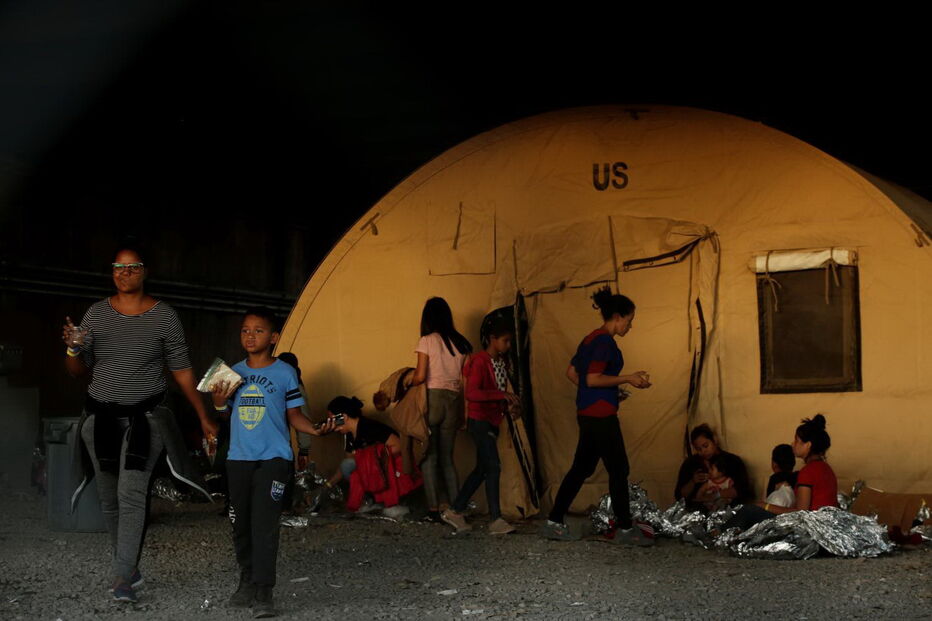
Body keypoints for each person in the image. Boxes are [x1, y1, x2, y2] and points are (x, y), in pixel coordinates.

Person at [63, 245, 218, 604]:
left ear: (145, 271)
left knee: (131, 495)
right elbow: (77, 371)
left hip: (144, 421)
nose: (124, 272)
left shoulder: (165, 317)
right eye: (118, 267)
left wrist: (204, 416)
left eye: (132, 268)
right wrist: (72, 348)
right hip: (99, 420)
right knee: (109, 499)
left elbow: (181, 371)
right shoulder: (95, 315)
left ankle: (121, 577)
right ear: (112, 272)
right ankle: (129, 568)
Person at [211, 308, 333, 617]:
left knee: (264, 525)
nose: (250, 335)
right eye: (245, 330)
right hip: (238, 458)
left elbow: (294, 416)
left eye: (259, 330)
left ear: (274, 337)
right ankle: (246, 581)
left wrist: (315, 428)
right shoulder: (232, 372)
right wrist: (218, 402)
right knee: (240, 523)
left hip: (274, 458)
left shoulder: (285, 373)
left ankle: (264, 591)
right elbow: (223, 415)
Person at [540, 286, 655, 546]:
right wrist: (628, 378)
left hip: (587, 411)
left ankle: (554, 520)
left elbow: (573, 374)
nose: (630, 326)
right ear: (617, 317)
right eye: (629, 321)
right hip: (601, 415)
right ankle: (625, 529)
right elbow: (592, 378)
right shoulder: (604, 342)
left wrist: (610, 390)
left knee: (582, 467)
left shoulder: (589, 339)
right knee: (618, 468)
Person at [441, 316, 521, 535]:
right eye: (505, 341)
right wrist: (502, 394)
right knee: (493, 466)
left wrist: (509, 406)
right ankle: (495, 519)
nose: (508, 345)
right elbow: (473, 393)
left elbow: (496, 393)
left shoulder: (501, 363)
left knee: (482, 468)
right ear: (492, 339)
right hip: (479, 420)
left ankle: (455, 509)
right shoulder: (479, 361)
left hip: (492, 420)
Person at [410, 297, 472, 523]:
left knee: (429, 457)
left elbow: (420, 376)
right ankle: (457, 508)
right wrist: (464, 414)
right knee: (447, 458)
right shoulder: (462, 344)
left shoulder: (427, 340)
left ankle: (433, 510)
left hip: (433, 400)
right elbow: (465, 383)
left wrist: (406, 382)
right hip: (453, 402)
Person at [724, 414, 837, 531]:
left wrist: (765, 506)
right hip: (824, 526)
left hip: (810, 529)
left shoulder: (808, 471)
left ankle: (718, 535)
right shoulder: (827, 469)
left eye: (797, 441)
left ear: (808, 445)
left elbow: (801, 513)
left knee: (750, 510)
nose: (793, 444)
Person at [326, 395, 420, 518]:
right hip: (375, 474)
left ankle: (393, 501)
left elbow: (399, 446)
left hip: (395, 471)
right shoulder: (349, 435)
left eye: (332, 419)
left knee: (362, 464)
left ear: (343, 417)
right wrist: (328, 485)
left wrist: (373, 460)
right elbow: (349, 463)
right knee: (350, 465)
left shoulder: (370, 427)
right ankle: (372, 501)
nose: (331, 424)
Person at [674, 424, 752, 511]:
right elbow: (679, 496)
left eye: (706, 446)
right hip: (696, 514)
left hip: (728, 512)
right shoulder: (690, 464)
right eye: (698, 449)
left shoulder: (732, 461)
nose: (703, 451)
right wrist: (693, 481)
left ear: (714, 440)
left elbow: (743, 490)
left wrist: (716, 496)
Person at [764, 443, 797, 508]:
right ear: (793, 462)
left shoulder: (774, 479)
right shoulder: (798, 477)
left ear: (774, 464)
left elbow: (769, 503)